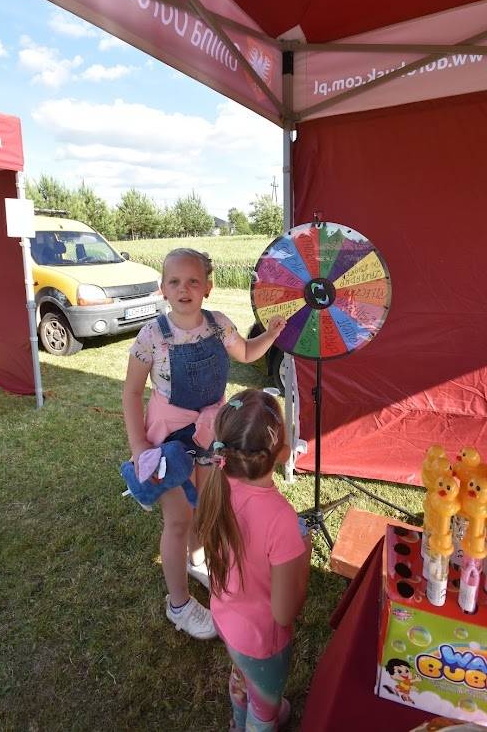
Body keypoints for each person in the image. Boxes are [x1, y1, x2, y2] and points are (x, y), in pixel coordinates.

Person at [122, 248, 285, 641]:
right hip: (169, 441)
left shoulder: (219, 325)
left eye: (193, 281)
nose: (184, 289)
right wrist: (139, 445)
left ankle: (197, 561)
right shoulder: (151, 336)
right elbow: (131, 393)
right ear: (163, 288)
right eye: (175, 281)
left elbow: (245, 352)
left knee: (205, 506)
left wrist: (271, 335)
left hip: (210, 433)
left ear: (208, 287)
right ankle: (178, 604)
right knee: (178, 520)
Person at [196, 389, 312, 731]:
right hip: (262, 643)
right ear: (283, 453)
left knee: (241, 678)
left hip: (227, 623)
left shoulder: (218, 484)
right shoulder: (282, 521)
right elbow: (284, 612)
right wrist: (303, 552)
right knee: (265, 711)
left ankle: (238, 721)